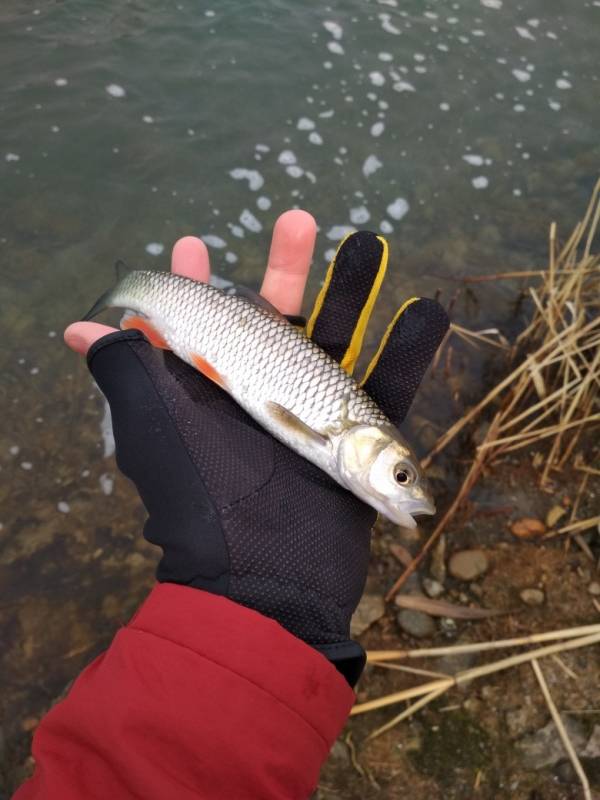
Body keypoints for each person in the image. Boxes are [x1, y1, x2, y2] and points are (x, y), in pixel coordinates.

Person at [13, 210, 448, 800]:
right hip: (216, 329)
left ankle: (134, 286)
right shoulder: (336, 435)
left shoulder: (348, 441)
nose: (403, 492)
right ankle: (133, 286)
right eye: (401, 474)